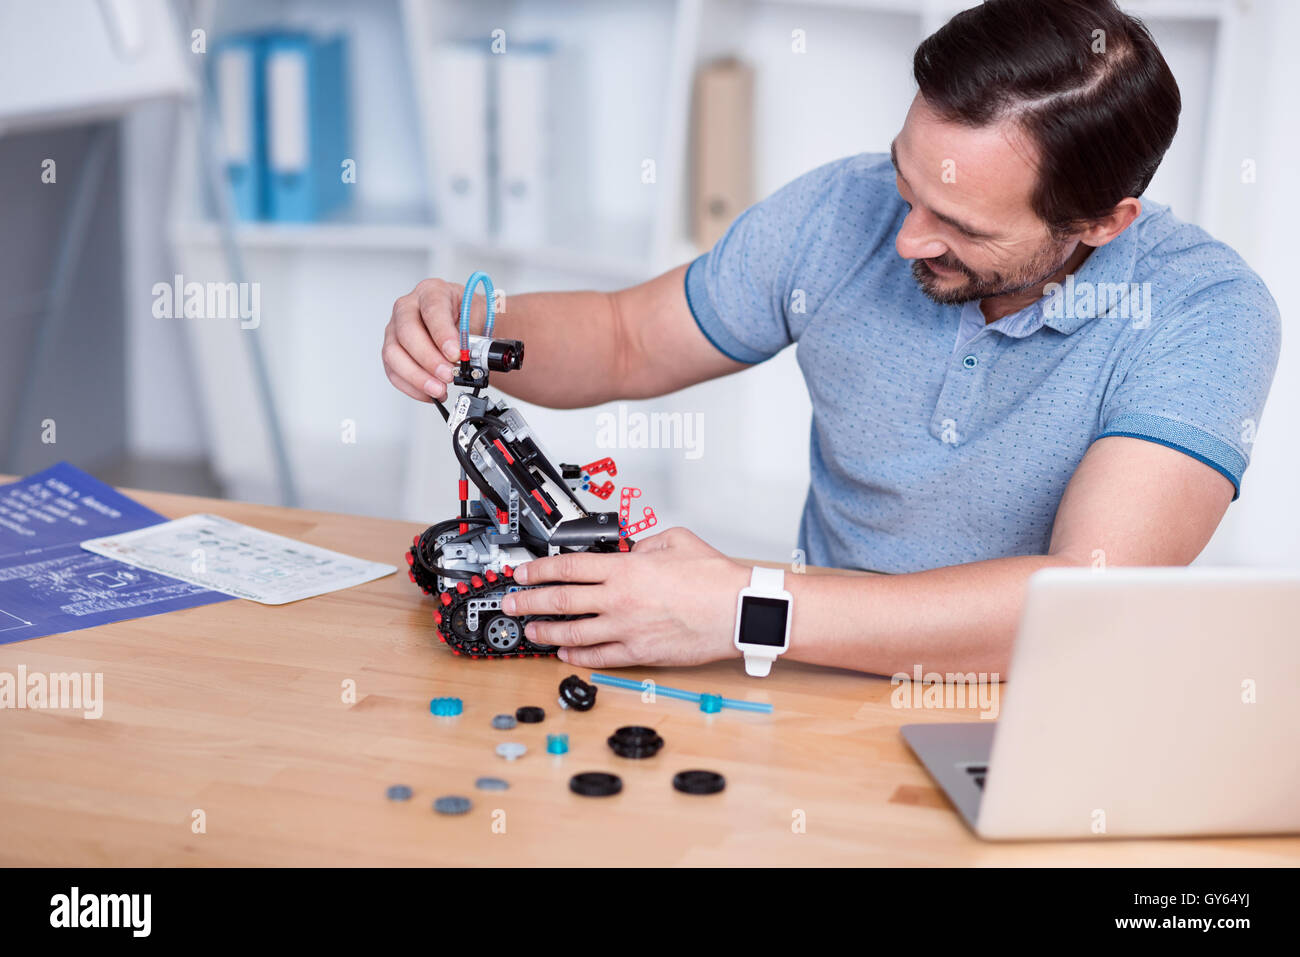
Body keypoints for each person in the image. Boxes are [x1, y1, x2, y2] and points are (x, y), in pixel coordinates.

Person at [381, 0, 1279, 675]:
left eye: (960, 225)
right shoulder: (842, 207)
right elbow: (625, 339)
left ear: (1102, 223)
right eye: (907, 182)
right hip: (816, 672)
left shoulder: (1206, 310)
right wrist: (475, 326)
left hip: (1039, 705)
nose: (906, 239)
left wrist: (749, 608)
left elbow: (1086, 598)